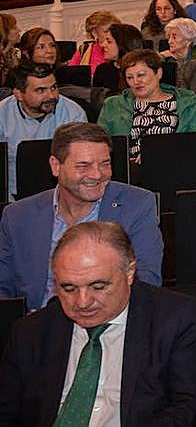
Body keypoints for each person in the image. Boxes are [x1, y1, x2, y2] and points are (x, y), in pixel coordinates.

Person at [0, 221, 196, 427]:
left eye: (98, 286)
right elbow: (4, 419)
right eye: (68, 288)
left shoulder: (173, 317)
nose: (82, 302)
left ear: (130, 273)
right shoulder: (31, 332)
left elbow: (190, 408)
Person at [0, 123, 163, 308]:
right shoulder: (18, 216)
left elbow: (147, 281)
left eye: (105, 163)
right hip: (38, 325)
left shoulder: (137, 205)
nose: (97, 175)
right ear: (56, 166)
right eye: (83, 165)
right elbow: (3, 290)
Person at [97, 50, 196, 163]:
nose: (136, 81)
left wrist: (156, 155)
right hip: (127, 172)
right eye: (129, 77)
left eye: (141, 75)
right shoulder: (112, 105)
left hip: (176, 167)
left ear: (158, 73)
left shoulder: (190, 105)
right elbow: (100, 144)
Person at [0, 62, 87, 200]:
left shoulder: (73, 113)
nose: (51, 96)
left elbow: (80, 165)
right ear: (19, 94)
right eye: (40, 90)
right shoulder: (2, 114)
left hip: (62, 195)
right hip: (12, 196)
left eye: (53, 88)